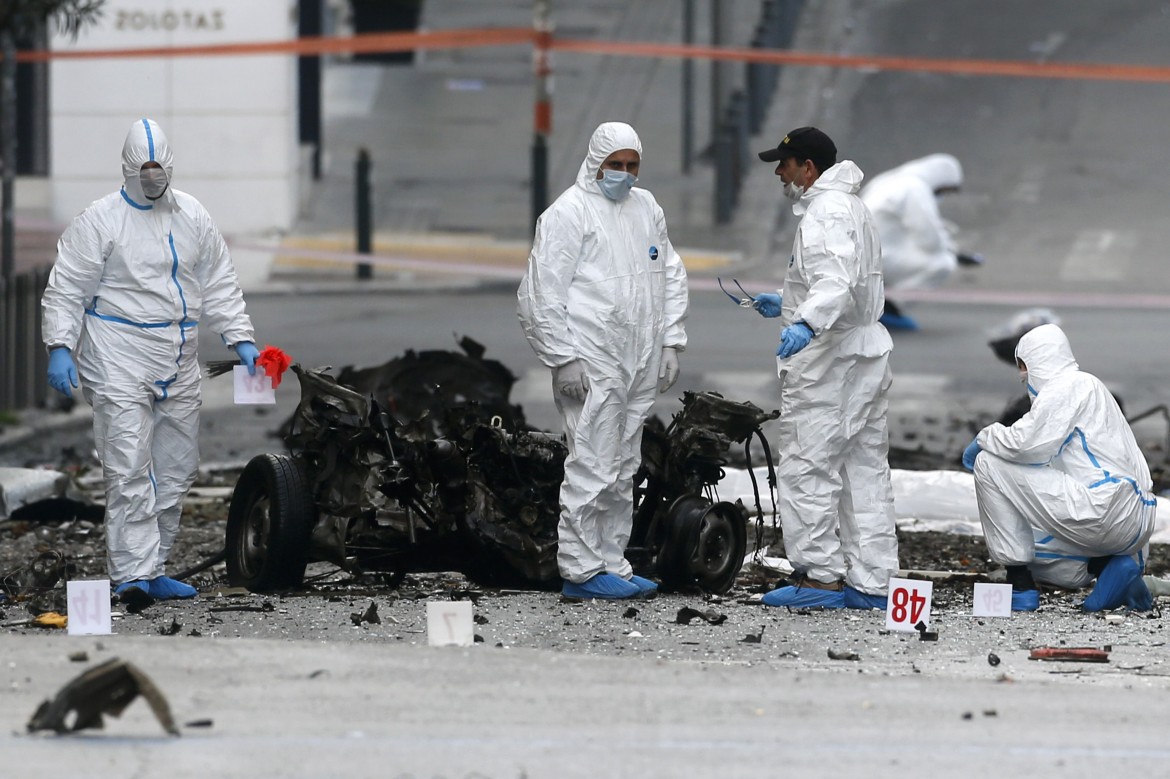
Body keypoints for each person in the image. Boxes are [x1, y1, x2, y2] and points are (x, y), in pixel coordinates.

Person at [42, 118, 260, 601]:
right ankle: (131, 573)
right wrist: (61, 346)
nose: (153, 176)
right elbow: (67, 287)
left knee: (177, 466)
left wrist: (239, 338)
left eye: (159, 167)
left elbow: (219, 278)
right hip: (117, 352)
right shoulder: (100, 220)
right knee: (128, 464)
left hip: (177, 354)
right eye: (144, 168)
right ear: (127, 169)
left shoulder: (191, 215)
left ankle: (155, 564)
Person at [517, 121, 688, 600]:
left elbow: (669, 273)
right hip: (592, 359)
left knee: (623, 463)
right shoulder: (568, 215)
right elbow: (540, 292)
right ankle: (580, 569)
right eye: (616, 165)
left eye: (633, 166)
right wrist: (562, 358)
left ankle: (612, 561)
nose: (625, 174)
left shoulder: (646, 207)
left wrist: (670, 340)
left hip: (637, 356)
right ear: (596, 163)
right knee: (591, 461)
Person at [752, 126, 899, 610]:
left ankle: (818, 577)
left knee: (808, 466)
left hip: (831, 360)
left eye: (786, 164)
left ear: (808, 169)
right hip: (865, 353)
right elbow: (850, 282)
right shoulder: (852, 207)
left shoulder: (825, 213)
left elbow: (833, 283)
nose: (780, 173)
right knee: (864, 471)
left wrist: (806, 323)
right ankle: (873, 582)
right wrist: (790, 302)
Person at [962, 323, 1156, 612]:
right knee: (1039, 556)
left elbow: (1027, 446)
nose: (1021, 377)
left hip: (1103, 509)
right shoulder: (1094, 389)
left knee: (989, 462)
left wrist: (985, 437)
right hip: (1133, 524)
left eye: (1023, 367)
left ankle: (1019, 586)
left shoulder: (1065, 386)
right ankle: (1111, 569)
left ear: (1040, 361)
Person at [859, 153, 981, 331]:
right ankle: (884, 307)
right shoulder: (915, 189)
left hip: (858, 255)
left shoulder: (888, 180)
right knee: (943, 263)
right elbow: (929, 240)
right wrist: (954, 254)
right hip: (875, 259)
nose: (941, 196)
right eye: (943, 191)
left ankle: (866, 299)